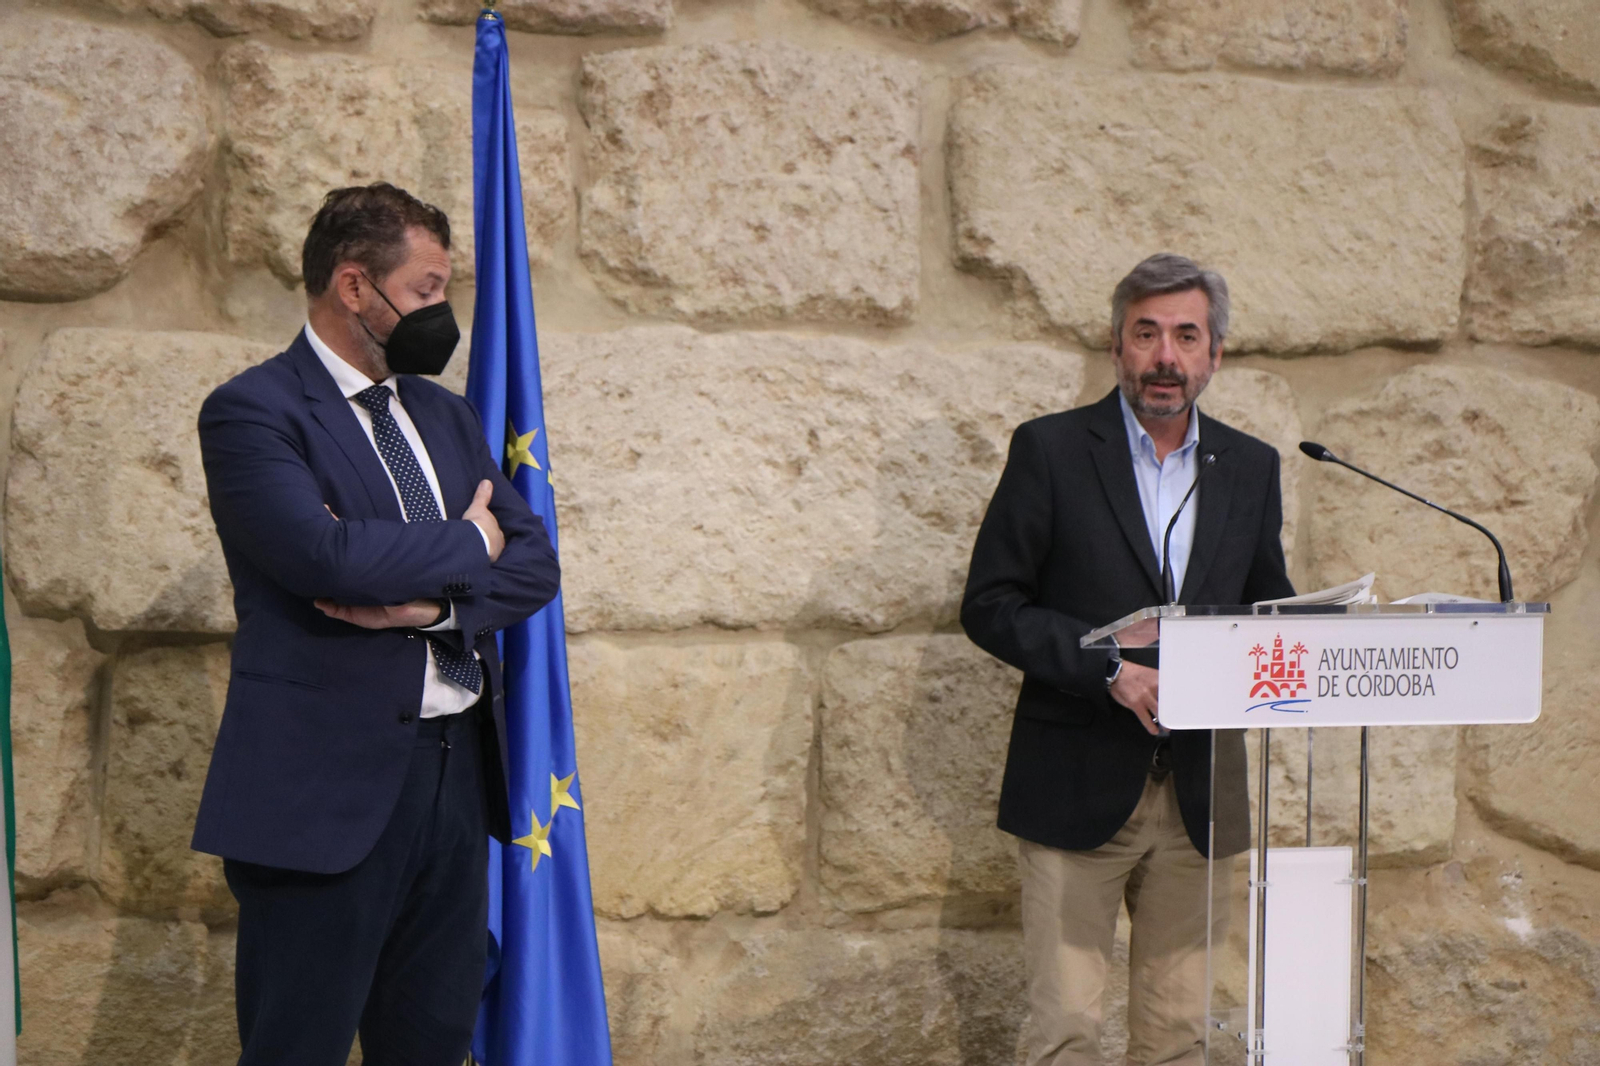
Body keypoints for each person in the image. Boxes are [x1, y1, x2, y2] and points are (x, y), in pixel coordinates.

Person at [191, 182, 561, 1065]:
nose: (441, 312)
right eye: (426, 290)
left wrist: (434, 605)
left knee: (432, 1043)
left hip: (454, 776)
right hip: (325, 792)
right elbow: (327, 559)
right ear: (355, 286)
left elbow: (535, 565)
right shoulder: (254, 410)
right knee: (298, 1046)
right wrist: (470, 539)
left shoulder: (444, 414)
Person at [961, 253, 1294, 1065]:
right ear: (1117, 346)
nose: (1165, 356)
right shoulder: (1050, 451)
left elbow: (1265, 606)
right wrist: (1109, 668)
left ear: (1216, 354)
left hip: (1200, 797)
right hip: (1075, 785)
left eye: (1186, 336)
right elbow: (991, 605)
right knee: (1066, 1032)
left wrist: (1316, 634)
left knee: (1179, 1038)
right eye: (1146, 334)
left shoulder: (1251, 467)